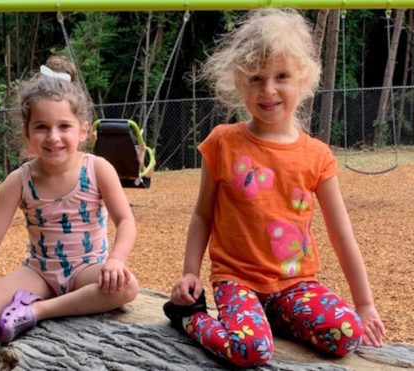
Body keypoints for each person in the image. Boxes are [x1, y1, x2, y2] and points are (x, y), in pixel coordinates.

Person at [163, 9, 385, 368]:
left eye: (281, 76)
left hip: (296, 285)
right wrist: (190, 272)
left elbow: (342, 235)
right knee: (250, 351)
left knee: (347, 333)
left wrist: (364, 305)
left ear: (303, 79)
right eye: (255, 78)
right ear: (239, 81)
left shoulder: (317, 156)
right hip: (238, 281)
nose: (268, 90)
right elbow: (203, 213)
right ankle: (190, 319)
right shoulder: (223, 143)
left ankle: (274, 319)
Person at [0, 56, 139, 362]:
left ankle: (36, 311)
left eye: (64, 126)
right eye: (41, 127)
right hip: (38, 272)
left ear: (83, 131)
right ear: (27, 134)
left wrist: (116, 261)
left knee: (126, 288)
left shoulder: (98, 169)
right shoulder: (19, 180)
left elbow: (126, 221)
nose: (53, 137)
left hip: (87, 268)